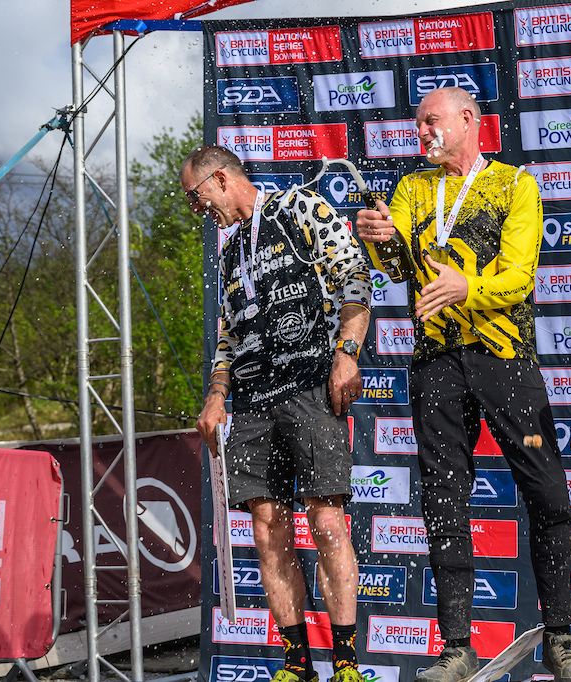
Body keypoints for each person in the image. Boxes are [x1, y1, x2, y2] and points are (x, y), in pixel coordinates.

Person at [356, 87, 571, 682]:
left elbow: (518, 276)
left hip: (504, 355)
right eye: (416, 125)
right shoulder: (412, 189)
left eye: (430, 122)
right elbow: (395, 266)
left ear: (468, 121)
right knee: (443, 498)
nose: (421, 133)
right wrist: (374, 235)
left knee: (547, 492)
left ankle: (561, 638)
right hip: (435, 358)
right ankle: (457, 645)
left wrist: (468, 288)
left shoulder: (515, 184)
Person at [186, 146, 372, 682]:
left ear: (220, 180)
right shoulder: (229, 252)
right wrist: (217, 393)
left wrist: (347, 355)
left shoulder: (299, 209)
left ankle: (346, 662)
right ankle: (296, 663)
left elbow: (355, 278)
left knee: (326, 521)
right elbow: (229, 334)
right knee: (268, 529)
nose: (200, 211)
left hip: (312, 385)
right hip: (251, 400)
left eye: (198, 199)